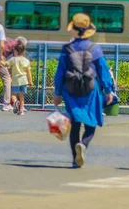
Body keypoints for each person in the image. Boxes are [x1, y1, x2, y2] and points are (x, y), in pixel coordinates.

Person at [54, 13, 114, 168]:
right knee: (91, 123)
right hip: (90, 89)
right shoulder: (95, 48)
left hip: (70, 89)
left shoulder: (66, 49)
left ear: (73, 29)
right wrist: (108, 90)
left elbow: (60, 72)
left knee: (74, 124)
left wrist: (57, 93)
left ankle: (75, 158)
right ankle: (84, 144)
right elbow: (103, 69)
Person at [4, 39, 33, 116]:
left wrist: (1, 61)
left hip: (16, 80)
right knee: (22, 96)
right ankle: (21, 110)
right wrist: (30, 81)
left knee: (13, 94)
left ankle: (16, 102)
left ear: (15, 51)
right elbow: (29, 72)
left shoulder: (13, 59)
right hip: (24, 80)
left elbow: (6, 64)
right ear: (24, 51)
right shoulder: (26, 61)